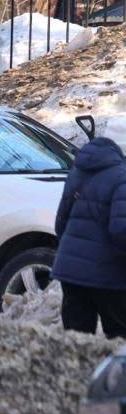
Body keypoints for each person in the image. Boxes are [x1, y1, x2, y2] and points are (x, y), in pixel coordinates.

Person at [53, 137, 126, 336]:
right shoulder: (122, 176)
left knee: (76, 340)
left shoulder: (77, 173)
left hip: (70, 271)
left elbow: (60, 223)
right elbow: (121, 230)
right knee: (120, 339)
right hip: (108, 275)